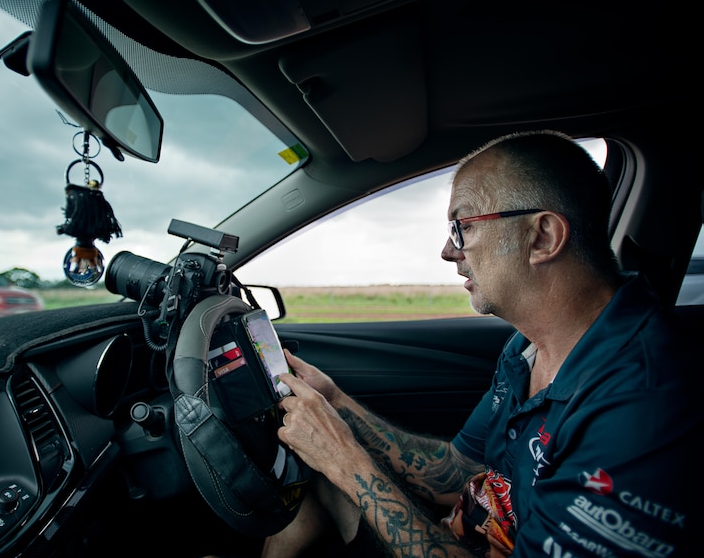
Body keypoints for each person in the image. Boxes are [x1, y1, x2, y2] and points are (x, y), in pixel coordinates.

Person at [261, 130, 700, 557]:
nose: (448, 252)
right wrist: (337, 403)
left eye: (462, 227)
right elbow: (459, 471)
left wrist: (345, 461)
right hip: (462, 530)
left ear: (542, 237)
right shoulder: (527, 351)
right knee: (310, 480)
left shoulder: (643, 402)